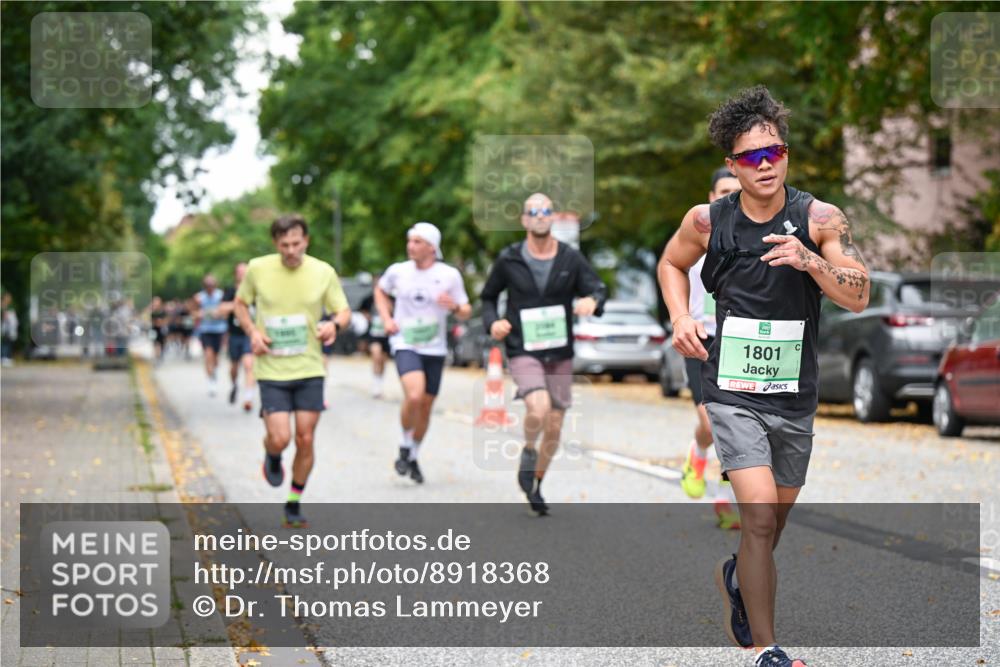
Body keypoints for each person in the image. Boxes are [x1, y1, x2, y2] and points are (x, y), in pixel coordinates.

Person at [658, 86, 869, 667]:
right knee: (754, 513)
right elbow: (671, 263)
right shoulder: (707, 221)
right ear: (732, 165)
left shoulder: (820, 217)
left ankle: (738, 576)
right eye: (751, 157)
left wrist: (811, 260)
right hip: (730, 389)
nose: (766, 164)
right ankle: (766, 649)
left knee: (770, 522)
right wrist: (680, 316)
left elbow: (859, 293)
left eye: (774, 151)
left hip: (793, 395)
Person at [481, 193, 608, 516]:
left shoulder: (570, 258)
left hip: (559, 351)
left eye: (545, 211)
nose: (539, 216)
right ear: (524, 219)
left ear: (552, 218)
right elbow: (488, 297)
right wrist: (493, 323)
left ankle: (535, 481)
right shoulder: (509, 259)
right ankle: (527, 450)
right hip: (522, 347)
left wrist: (592, 301)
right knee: (538, 407)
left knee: (554, 425)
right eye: (533, 211)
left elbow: (597, 288)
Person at [234, 214, 351, 527]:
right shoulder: (258, 268)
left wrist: (333, 325)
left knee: (305, 438)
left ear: (306, 240)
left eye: (296, 243)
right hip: (271, 368)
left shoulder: (323, 271)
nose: (290, 250)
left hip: (309, 366)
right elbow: (240, 304)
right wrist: (253, 333)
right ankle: (272, 455)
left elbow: (343, 310)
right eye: (284, 244)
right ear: (276, 244)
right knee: (280, 438)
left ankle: (294, 503)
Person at [375, 222, 470, 484]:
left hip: (434, 347)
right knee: (414, 395)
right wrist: (386, 318)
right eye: (409, 241)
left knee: (426, 406)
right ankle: (404, 444)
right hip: (405, 342)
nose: (411, 246)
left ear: (432, 247)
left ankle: (413, 455)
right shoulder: (398, 271)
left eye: (417, 242)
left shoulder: (449, 275)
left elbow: (465, 310)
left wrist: (454, 307)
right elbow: (380, 291)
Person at [677, 167, 741, 530]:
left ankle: (719, 485)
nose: (730, 196)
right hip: (699, 338)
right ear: (711, 195)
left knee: (732, 423)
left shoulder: (753, 232)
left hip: (737, 338)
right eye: (723, 191)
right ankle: (705, 463)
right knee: (711, 421)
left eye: (735, 189)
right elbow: (670, 270)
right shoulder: (695, 231)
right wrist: (680, 318)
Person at [220, 263, 255, 412]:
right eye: (240, 272)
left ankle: (248, 398)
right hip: (234, 335)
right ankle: (234, 384)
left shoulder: (255, 291)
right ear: (236, 274)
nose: (243, 274)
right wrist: (238, 305)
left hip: (250, 334)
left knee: (249, 364)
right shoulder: (230, 291)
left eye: (246, 272)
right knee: (234, 367)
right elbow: (221, 309)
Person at [194, 275, 228, 396]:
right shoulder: (199, 298)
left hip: (219, 330)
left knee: (216, 357)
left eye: (212, 285)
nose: (210, 288)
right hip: (206, 330)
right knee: (208, 355)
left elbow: (225, 311)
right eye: (208, 286)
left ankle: (214, 373)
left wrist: (219, 313)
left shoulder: (220, 295)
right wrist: (199, 314)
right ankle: (211, 381)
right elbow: (193, 313)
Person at [358, 275, 390, 398]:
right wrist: (368, 317)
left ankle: (380, 382)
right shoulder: (369, 299)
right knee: (376, 355)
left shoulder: (391, 298)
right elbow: (362, 310)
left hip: (386, 334)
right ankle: (376, 385)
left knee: (383, 360)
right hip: (374, 333)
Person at [1, 293, 18, 367]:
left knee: (9, 342)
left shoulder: (10, 307)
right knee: (4, 343)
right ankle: (3, 357)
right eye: (8, 297)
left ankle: (7, 357)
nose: (9, 299)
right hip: (3, 327)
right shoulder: (2, 306)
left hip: (10, 327)